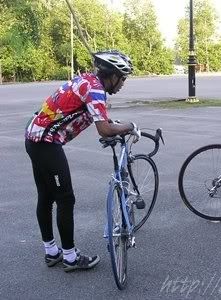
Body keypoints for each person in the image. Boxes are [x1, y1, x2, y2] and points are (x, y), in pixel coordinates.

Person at [25, 50, 139, 271]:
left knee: (46, 197)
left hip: (34, 138)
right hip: (46, 144)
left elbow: (94, 115)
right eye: (122, 78)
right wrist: (130, 126)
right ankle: (70, 257)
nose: (123, 83)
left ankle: (51, 252)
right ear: (113, 76)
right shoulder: (96, 89)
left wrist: (112, 123)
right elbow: (104, 130)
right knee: (65, 199)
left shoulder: (87, 80)